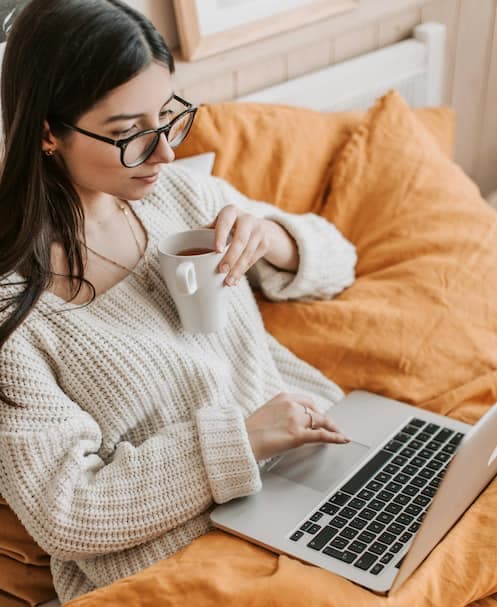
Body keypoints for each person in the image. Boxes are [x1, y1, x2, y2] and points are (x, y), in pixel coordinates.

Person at [0, 0, 357, 602]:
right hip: (191, 556)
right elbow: (67, 512)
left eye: (166, 118)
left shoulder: (184, 199)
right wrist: (240, 440)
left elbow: (339, 260)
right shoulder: (17, 309)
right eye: (128, 135)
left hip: (312, 470)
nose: (164, 153)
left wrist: (269, 238)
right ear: (46, 132)